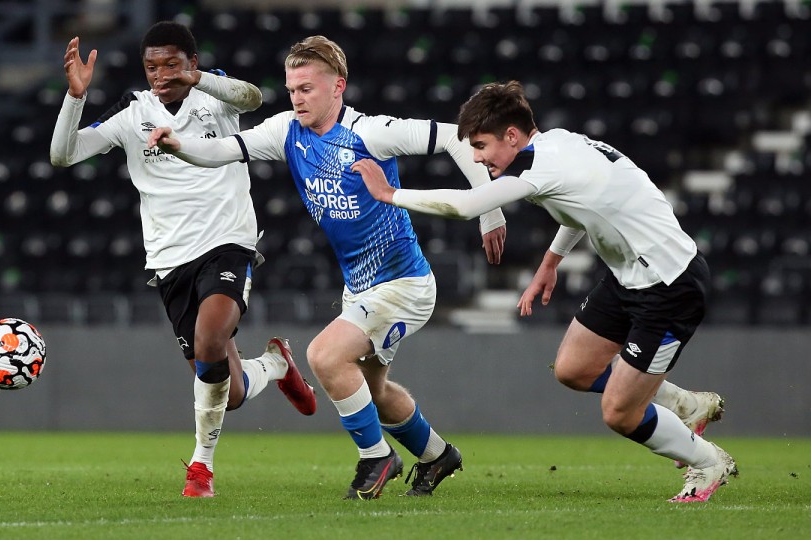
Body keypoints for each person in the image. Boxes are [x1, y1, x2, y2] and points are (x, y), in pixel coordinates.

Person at [147, 35, 509, 499]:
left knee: (323, 355)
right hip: (360, 288)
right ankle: (439, 456)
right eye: (292, 88)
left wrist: (489, 210)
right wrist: (178, 144)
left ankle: (375, 458)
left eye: (307, 89)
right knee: (373, 392)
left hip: (403, 285)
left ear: (338, 86)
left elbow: (460, 140)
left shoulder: (372, 132)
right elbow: (225, 149)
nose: (297, 98)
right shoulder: (287, 131)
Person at [354, 80, 737, 502]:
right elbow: (580, 204)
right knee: (574, 368)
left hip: (670, 285)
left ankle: (708, 463)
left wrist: (388, 193)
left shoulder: (540, 167)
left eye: (481, 146)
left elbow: (465, 205)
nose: (478, 158)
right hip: (627, 275)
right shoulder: (560, 144)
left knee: (620, 413)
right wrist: (551, 262)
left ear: (513, 136)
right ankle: (685, 404)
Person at [49, 21, 317, 498]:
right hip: (170, 261)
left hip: (227, 242)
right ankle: (276, 366)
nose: (160, 74)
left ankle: (201, 467)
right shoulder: (134, 113)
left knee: (211, 336)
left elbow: (253, 97)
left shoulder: (215, 97)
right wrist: (75, 98)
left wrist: (199, 79)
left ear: (191, 63)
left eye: (172, 63)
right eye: (152, 66)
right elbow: (63, 156)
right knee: (229, 393)